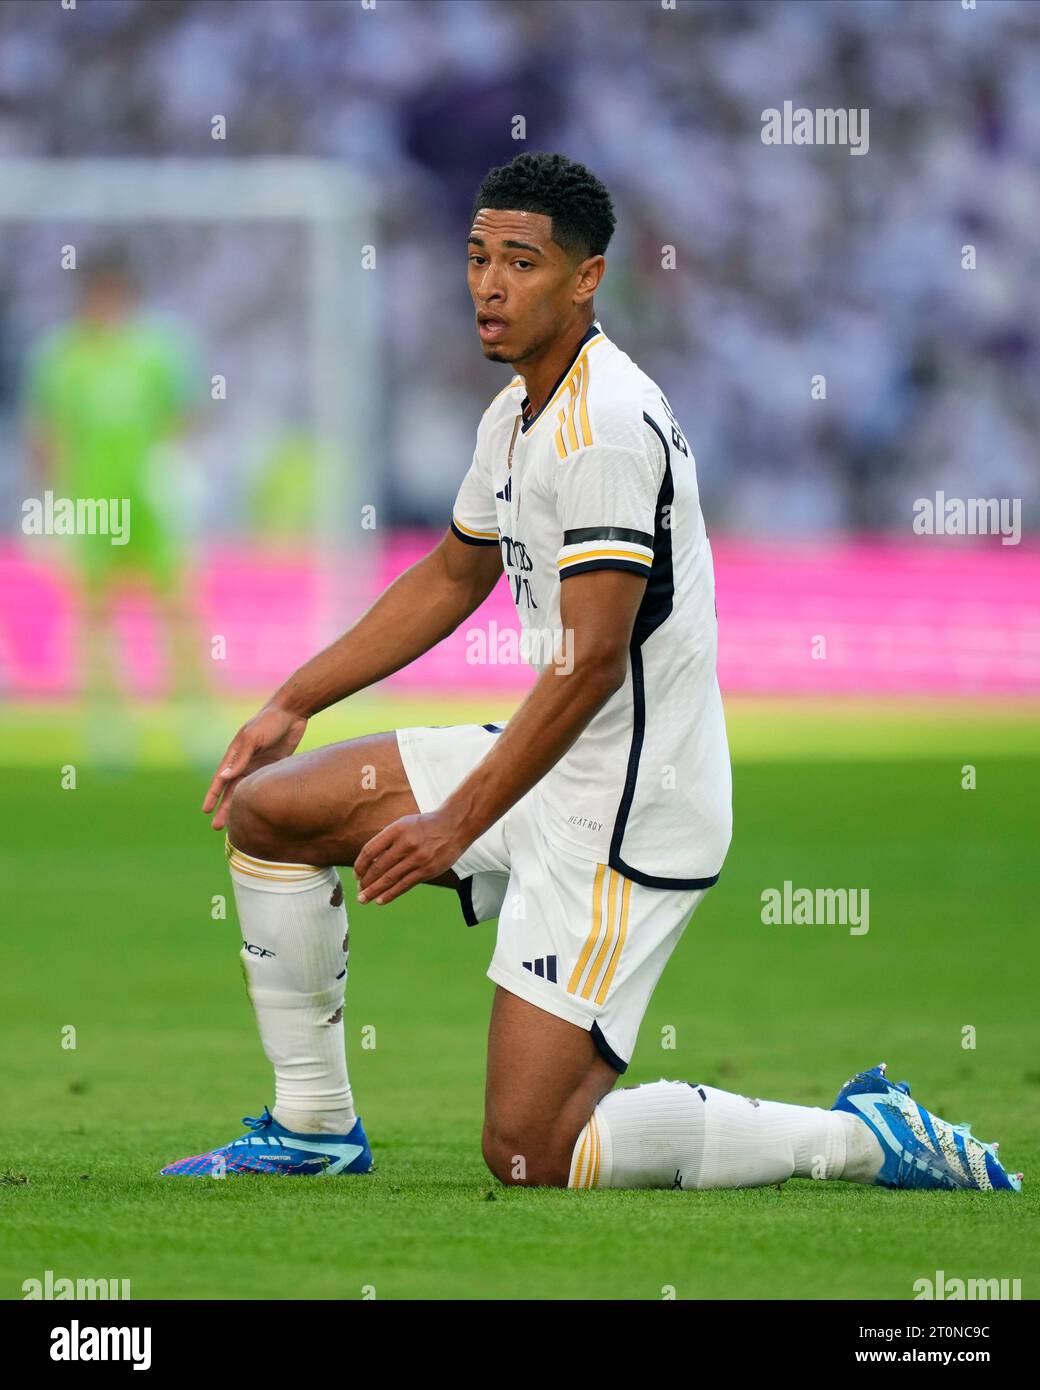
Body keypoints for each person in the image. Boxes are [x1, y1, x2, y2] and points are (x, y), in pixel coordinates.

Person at [161, 153, 1020, 1194]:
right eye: (476, 258)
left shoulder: (606, 425)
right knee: (269, 814)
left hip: (628, 812)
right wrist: (291, 700)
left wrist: (457, 819)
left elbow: (592, 660)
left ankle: (858, 1136)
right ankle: (312, 1128)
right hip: (550, 767)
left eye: (519, 262)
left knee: (530, 1152)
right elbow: (449, 575)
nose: (487, 283)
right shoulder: (516, 412)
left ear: (586, 278)